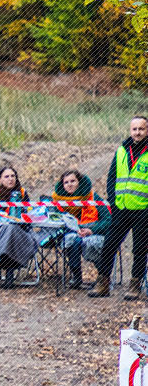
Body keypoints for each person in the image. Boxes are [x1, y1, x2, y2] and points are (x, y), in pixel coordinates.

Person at [91, 115, 148, 299]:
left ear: (147, 130)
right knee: (109, 245)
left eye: (141, 129)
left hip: (142, 210)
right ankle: (103, 284)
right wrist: (113, 202)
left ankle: (135, 285)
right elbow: (112, 178)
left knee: (139, 249)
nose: (137, 132)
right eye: (134, 129)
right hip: (120, 209)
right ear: (130, 131)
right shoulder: (122, 151)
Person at [52, 169, 108, 290]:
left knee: (88, 242)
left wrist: (92, 230)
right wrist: (73, 230)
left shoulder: (92, 197)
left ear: (79, 182)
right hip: (72, 234)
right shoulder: (58, 201)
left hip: (94, 232)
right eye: (66, 182)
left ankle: (103, 276)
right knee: (73, 240)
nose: (69, 184)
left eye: (73, 181)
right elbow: (55, 222)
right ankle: (76, 277)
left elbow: (108, 220)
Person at [0, 165, 35, 287]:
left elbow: (29, 212)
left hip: (20, 231)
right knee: (10, 230)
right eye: (6, 176)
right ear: (0, 179)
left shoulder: (21, 193)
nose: (10, 179)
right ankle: (9, 275)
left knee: (11, 230)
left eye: (13, 176)